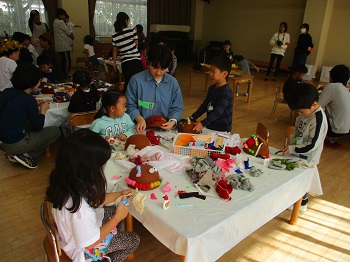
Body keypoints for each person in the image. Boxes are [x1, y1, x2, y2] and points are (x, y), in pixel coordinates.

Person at [45, 129, 140, 261]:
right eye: (100, 166)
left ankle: (108, 241)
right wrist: (117, 218)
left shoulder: (67, 181)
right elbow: (91, 243)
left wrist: (120, 193)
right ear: (88, 169)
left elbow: (94, 199)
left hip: (73, 236)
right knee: (133, 239)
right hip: (84, 250)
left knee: (113, 213)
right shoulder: (80, 211)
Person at [0, 64, 61, 169]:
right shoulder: (28, 100)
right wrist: (43, 110)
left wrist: (32, 105)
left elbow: (14, 109)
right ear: (34, 82)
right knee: (55, 131)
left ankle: (18, 153)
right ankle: (25, 155)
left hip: (2, 139)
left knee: (27, 123)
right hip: (13, 143)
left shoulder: (6, 92)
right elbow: (38, 126)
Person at [283, 83, 328, 211]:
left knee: (303, 180)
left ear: (314, 104)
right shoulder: (304, 112)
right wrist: (291, 143)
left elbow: (312, 145)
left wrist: (293, 148)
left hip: (308, 157)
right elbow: (296, 129)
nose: (300, 114)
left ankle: (302, 203)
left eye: (301, 111)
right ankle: (293, 199)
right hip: (297, 152)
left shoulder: (318, 119)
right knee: (294, 177)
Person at [126, 45, 184, 134]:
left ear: (169, 66)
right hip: (140, 128)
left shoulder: (173, 83)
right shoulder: (136, 81)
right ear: (148, 63)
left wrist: (172, 121)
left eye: (163, 69)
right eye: (154, 68)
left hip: (166, 130)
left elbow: (177, 107)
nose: (158, 72)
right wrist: (140, 119)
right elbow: (130, 105)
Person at [190, 54, 233, 133]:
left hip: (222, 130)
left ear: (224, 74)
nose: (210, 74)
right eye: (210, 71)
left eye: (213, 71)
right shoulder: (212, 89)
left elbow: (218, 111)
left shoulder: (226, 91)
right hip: (210, 126)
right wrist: (193, 117)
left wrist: (203, 123)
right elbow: (205, 105)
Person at [319, 64, 350, 147]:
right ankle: (332, 139)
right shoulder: (345, 90)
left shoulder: (331, 86)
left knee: (315, 112)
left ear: (331, 75)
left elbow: (318, 105)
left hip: (334, 129)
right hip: (345, 129)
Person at [112, 12, 143, 91]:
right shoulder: (131, 30)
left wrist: (114, 63)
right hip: (136, 61)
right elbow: (136, 44)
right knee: (139, 82)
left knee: (128, 84)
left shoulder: (114, 35)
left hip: (126, 63)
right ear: (126, 20)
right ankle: (140, 101)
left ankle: (128, 101)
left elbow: (114, 51)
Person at [53, 8, 74, 79]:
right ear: (60, 15)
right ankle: (66, 75)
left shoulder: (54, 22)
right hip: (64, 46)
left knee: (63, 61)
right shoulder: (60, 22)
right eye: (64, 15)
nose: (65, 17)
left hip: (59, 46)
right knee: (67, 61)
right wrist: (72, 36)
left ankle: (64, 74)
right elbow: (68, 32)